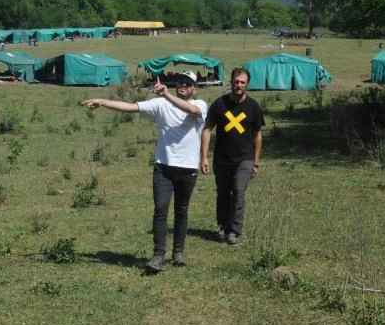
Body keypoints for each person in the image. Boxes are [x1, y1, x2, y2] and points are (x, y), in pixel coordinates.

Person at [82, 70, 208, 272]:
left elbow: (192, 111)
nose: (183, 84)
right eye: (180, 81)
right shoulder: (160, 105)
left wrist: (166, 94)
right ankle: (158, 256)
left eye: (188, 82)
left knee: (181, 211)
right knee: (161, 209)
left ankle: (178, 252)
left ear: (195, 88)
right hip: (163, 168)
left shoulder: (200, 105)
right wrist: (103, 101)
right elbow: (131, 107)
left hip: (188, 169)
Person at [200, 67, 265, 245]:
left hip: (244, 159)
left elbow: (257, 134)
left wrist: (256, 161)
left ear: (247, 84)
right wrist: (204, 157)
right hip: (222, 159)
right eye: (236, 82)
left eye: (243, 82)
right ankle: (223, 225)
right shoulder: (219, 104)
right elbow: (207, 129)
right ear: (231, 82)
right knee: (223, 194)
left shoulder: (253, 107)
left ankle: (233, 231)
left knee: (238, 191)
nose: (239, 85)